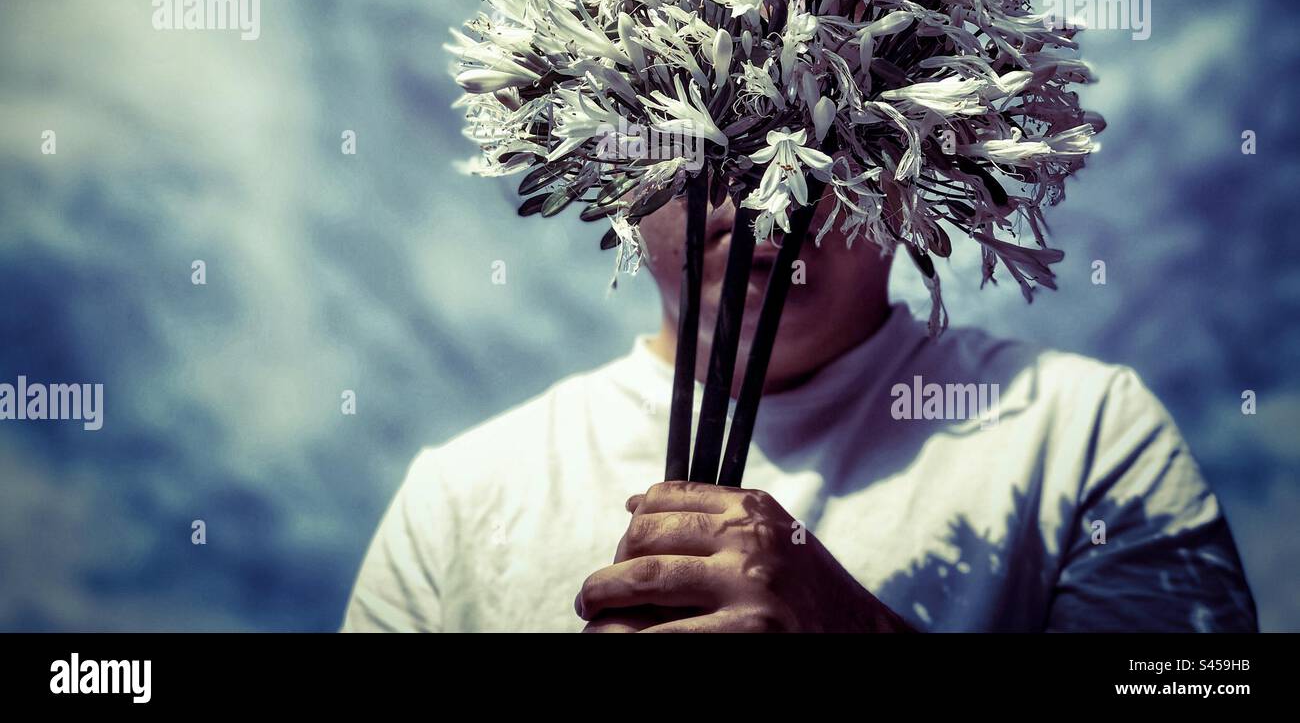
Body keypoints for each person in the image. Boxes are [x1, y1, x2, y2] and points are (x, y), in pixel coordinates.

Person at [340, 194, 1258, 633]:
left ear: (926, 144)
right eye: (691, 100)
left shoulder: (1084, 427)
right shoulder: (459, 496)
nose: (765, 182)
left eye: (830, 96)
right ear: (608, 166)